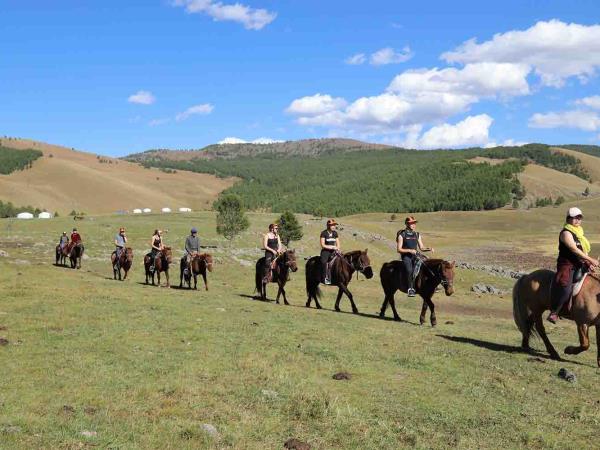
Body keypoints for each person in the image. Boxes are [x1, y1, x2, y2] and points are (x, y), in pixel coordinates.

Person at [548, 207, 599, 323]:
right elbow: (574, 249)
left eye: (579, 218)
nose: (577, 220)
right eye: (575, 217)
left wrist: (588, 263)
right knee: (566, 288)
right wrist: (591, 259)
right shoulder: (566, 233)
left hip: (579, 264)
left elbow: (583, 251)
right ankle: (555, 311)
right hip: (567, 265)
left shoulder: (580, 234)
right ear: (568, 219)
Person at [396, 216, 434, 297]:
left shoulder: (417, 234)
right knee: (409, 270)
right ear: (406, 224)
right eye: (411, 223)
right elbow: (399, 249)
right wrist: (410, 250)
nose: (413, 225)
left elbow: (422, 247)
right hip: (406, 257)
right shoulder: (402, 235)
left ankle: (431, 285)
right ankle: (410, 289)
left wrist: (429, 249)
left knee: (427, 265)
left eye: (414, 223)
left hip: (416, 256)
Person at [320, 219, 340, 285]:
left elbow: (338, 244)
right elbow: (323, 245)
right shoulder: (324, 233)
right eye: (332, 225)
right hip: (325, 252)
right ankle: (325, 278)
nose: (334, 226)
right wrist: (332, 247)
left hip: (333, 251)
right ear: (328, 226)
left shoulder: (335, 233)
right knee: (324, 263)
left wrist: (337, 248)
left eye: (334, 225)